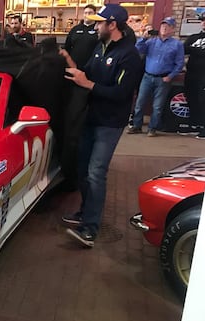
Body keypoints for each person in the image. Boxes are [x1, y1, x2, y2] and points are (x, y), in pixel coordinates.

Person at [61, 4, 142, 248]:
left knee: (96, 173)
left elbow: (122, 93)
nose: (95, 26)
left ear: (112, 25)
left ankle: (91, 229)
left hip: (110, 124)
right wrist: (68, 62)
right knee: (84, 170)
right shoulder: (100, 47)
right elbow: (86, 73)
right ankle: (85, 213)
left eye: (99, 23)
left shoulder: (129, 56)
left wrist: (89, 85)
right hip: (91, 118)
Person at [128, 16, 184, 137]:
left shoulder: (177, 44)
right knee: (139, 103)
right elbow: (138, 50)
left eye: (168, 26)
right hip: (147, 76)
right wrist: (143, 38)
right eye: (163, 25)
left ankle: (152, 128)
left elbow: (179, 63)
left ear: (173, 29)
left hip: (163, 79)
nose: (164, 28)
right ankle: (137, 126)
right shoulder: (151, 41)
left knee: (157, 106)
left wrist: (171, 76)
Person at [184, 10, 205, 140]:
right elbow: (183, 49)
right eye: (202, 20)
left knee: (203, 100)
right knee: (191, 98)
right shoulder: (194, 37)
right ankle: (195, 125)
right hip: (191, 72)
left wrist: (193, 50)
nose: (204, 22)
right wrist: (196, 50)